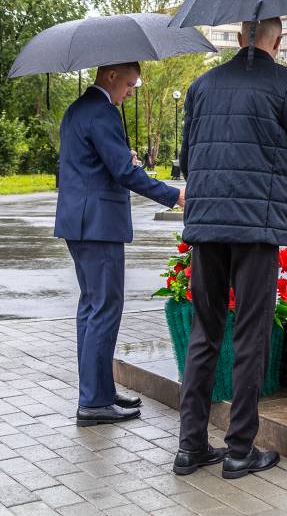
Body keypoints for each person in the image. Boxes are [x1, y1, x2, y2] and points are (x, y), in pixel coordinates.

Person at [174, 17, 287, 479]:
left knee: (205, 333)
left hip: (206, 228)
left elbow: (186, 160)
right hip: (257, 231)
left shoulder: (201, 86)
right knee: (250, 337)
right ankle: (240, 449)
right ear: (277, 42)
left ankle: (190, 447)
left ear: (241, 38)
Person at [55, 62, 183, 426]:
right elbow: (124, 173)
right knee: (105, 309)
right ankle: (94, 402)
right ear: (110, 76)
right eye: (129, 84)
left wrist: (122, 157)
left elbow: (96, 163)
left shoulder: (78, 108)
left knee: (91, 308)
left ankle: (98, 392)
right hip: (98, 225)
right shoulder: (102, 112)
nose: (130, 92)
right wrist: (174, 196)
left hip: (79, 222)